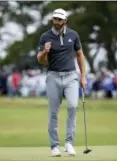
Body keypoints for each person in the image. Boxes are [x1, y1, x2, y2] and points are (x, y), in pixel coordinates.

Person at [37, 8, 87, 157]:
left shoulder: (73, 35)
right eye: (55, 19)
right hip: (53, 76)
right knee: (53, 112)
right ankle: (54, 146)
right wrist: (45, 51)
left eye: (59, 19)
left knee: (73, 106)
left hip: (71, 76)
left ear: (65, 20)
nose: (57, 22)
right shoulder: (45, 36)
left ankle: (69, 143)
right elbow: (40, 60)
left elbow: (80, 54)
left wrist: (83, 76)